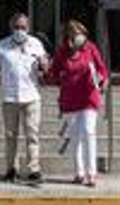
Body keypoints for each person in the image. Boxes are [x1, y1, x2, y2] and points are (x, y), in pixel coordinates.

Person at [0, 12, 50, 184]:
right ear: (11, 28)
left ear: (28, 28)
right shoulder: (2, 45)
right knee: (10, 135)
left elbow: (45, 64)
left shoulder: (36, 43)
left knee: (32, 134)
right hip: (10, 97)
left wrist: (44, 64)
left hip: (31, 96)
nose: (20, 30)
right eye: (17, 27)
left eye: (23, 27)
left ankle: (34, 170)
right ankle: (11, 169)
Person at [46, 19, 109, 187]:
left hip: (89, 97)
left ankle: (91, 174)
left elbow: (102, 68)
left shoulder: (91, 48)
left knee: (88, 132)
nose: (81, 38)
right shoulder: (62, 52)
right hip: (69, 99)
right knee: (75, 137)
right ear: (69, 38)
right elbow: (52, 74)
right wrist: (49, 71)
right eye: (76, 35)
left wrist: (102, 79)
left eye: (82, 34)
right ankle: (78, 172)